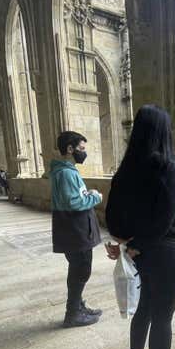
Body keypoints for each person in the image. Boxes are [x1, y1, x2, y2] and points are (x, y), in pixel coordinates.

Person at [105, 105, 175, 349]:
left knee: (145, 310)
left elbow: (112, 218)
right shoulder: (167, 167)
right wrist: (138, 243)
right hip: (165, 250)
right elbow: (166, 219)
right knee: (162, 317)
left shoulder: (125, 170)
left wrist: (127, 243)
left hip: (139, 251)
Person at [50, 131, 105, 328]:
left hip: (73, 228)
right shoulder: (65, 173)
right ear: (70, 149)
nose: (84, 152)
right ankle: (72, 313)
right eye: (81, 149)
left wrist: (86, 193)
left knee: (78, 269)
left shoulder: (67, 170)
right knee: (80, 270)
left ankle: (77, 306)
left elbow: (73, 196)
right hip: (75, 229)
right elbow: (74, 203)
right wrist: (96, 197)